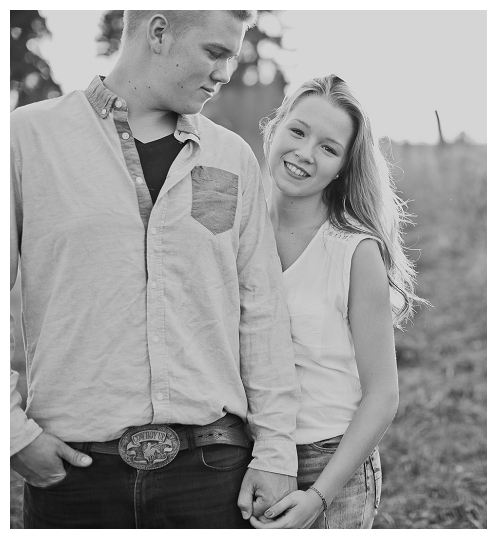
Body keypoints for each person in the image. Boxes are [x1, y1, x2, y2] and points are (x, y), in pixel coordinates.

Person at [10, 10, 301, 528]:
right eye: (215, 52)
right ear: (159, 32)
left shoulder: (231, 158)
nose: (226, 72)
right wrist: (12, 433)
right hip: (75, 479)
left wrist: (276, 453)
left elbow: (262, 311)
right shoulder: (25, 140)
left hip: (213, 475)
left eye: (232, 56)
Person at [249, 75, 425, 529]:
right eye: (298, 131)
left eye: (328, 148)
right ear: (275, 129)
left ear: (343, 167)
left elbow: (383, 394)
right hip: (246, 454)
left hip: (329, 463)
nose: (305, 153)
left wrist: (319, 497)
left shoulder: (353, 251)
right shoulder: (238, 233)